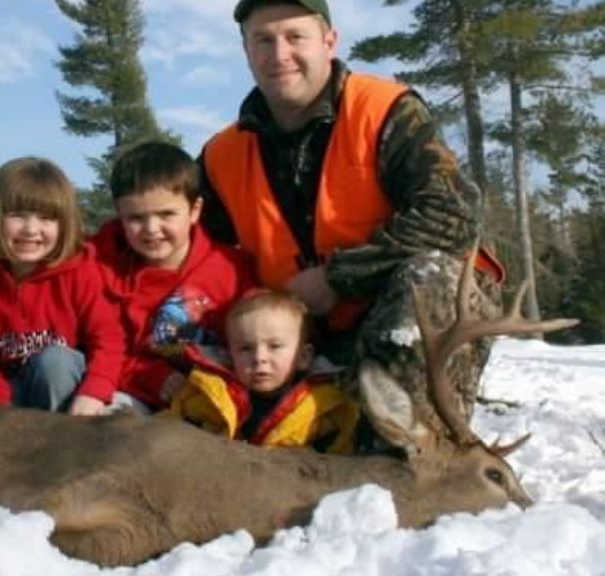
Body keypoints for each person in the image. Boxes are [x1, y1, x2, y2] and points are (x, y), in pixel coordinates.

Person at [197, 0, 504, 423]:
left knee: (430, 278)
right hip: (296, 340)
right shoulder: (221, 155)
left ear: (329, 41)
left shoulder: (385, 111)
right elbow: (184, 248)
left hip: (399, 314)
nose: (279, 54)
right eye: (263, 40)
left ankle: (412, 452)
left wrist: (338, 277)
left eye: (294, 37)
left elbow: (452, 216)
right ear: (246, 51)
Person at [0, 157, 123, 416]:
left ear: (64, 224)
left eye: (46, 218)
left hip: (67, 393)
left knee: (55, 361)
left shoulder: (82, 273)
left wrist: (94, 392)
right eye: (17, 215)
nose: (31, 229)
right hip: (5, 394)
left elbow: (108, 341)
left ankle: (59, 443)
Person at [92, 141, 259, 413]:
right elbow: (103, 350)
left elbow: (258, 333)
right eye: (135, 218)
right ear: (119, 216)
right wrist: (155, 378)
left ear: (195, 211)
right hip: (139, 394)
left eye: (166, 214)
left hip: (222, 395)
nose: (151, 229)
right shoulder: (105, 272)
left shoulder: (232, 269)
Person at [167, 289, 358, 452]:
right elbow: (170, 434)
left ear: (304, 357)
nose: (260, 358)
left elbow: (338, 461)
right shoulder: (208, 398)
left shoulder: (325, 409)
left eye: (274, 346)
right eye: (246, 348)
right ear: (230, 356)